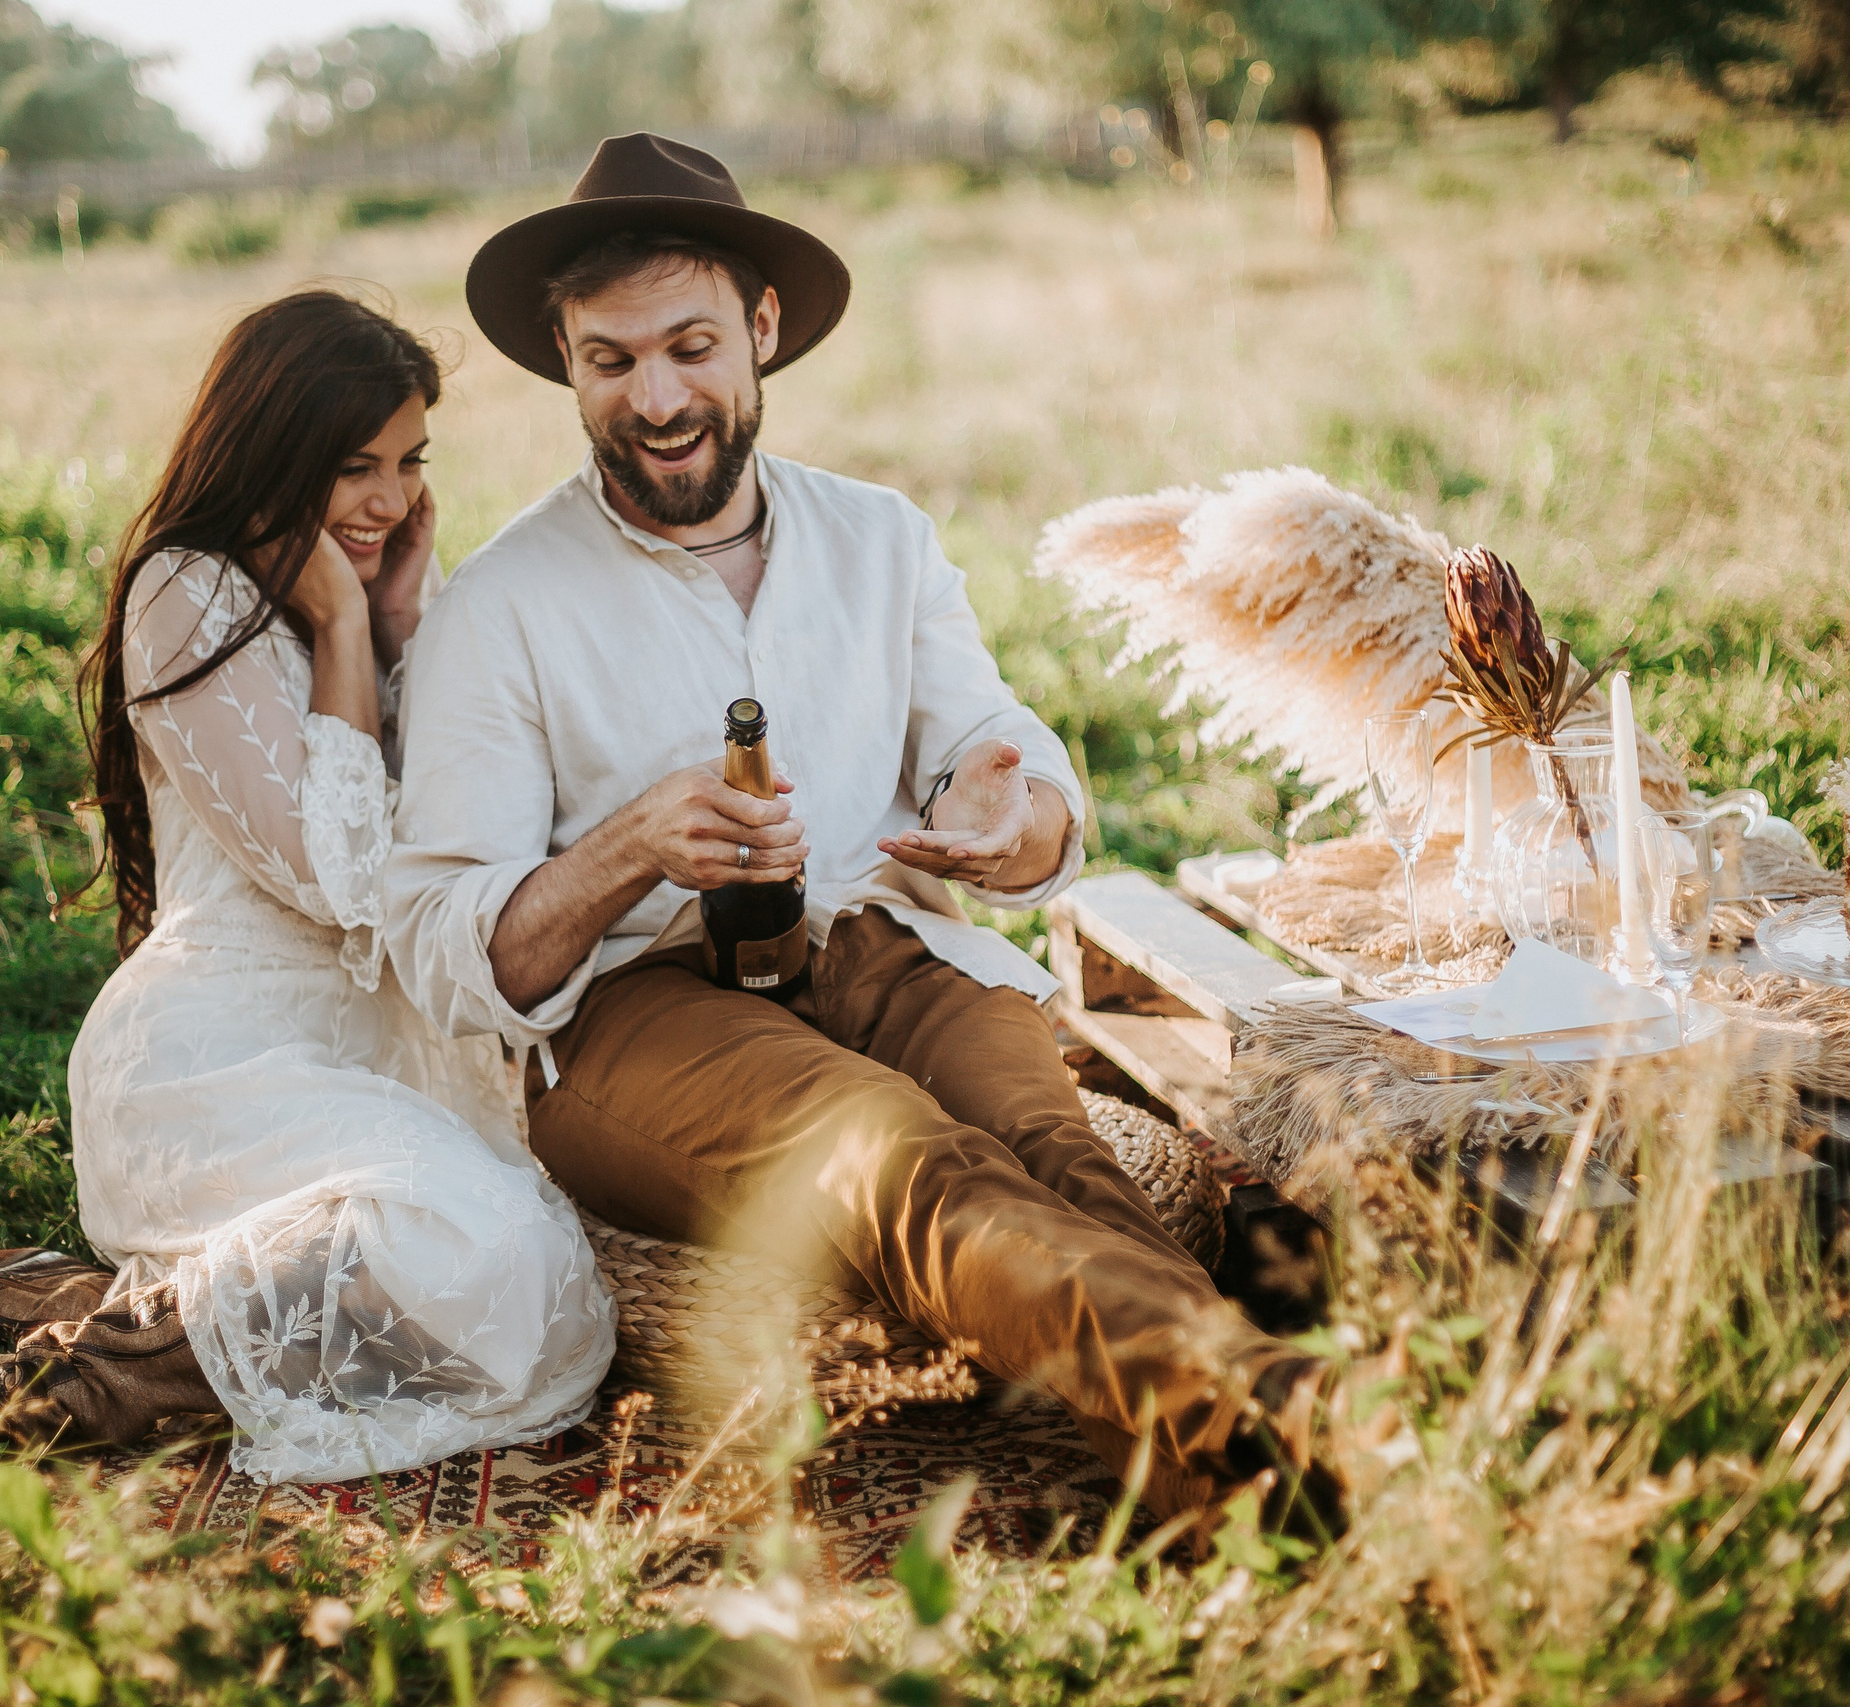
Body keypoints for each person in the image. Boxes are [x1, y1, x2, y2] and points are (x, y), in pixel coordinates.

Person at [387, 135, 1322, 1511]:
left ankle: (1236, 1499)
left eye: (692, 346)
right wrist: (631, 845)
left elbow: (999, 753)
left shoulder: (884, 539)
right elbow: (444, 947)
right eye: (611, 360)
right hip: (639, 1011)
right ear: (567, 363)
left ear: (763, 330)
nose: (655, 397)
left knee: (1059, 1151)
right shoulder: (501, 604)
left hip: (891, 944)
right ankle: (1312, 1410)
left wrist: (1017, 823)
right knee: (901, 1151)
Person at [0, 291, 616, 1482]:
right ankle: (32, 1389)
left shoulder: (387, 584)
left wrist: (408, 629)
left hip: (377, 1054)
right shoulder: (185, 595)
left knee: (536, 1279)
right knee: (500, 1259)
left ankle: (54, 1307)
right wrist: (347, 630)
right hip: (218, 1059)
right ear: (270, 451)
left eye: (409, 464)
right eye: (354, 467)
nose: (391, 503)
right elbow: (338, 878)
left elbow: (464, 821)